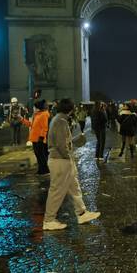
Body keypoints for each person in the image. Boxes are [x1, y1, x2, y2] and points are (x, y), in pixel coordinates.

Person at [43, 98, 101, 230]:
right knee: (57, 191)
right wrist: (68, 157)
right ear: (70, 109)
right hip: (60, 161)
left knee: (74, 187)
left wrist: (75, 141)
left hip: (62, 159)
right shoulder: (60, 121)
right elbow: (60, 145)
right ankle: (49, 220)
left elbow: (64, 142)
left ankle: (82, 213)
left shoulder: (59, 120)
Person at [23, 100, 50, 175]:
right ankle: (41, 170)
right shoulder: (37, 115)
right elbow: (32, 125)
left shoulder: (43, 115)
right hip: (35, 139)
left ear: (38, 108)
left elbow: (45, 127)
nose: (33, 109)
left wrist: (41, 138)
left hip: (39, 139)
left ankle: (45, 170)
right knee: (38, 155)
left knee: (41, 155)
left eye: (34, 107)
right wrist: (22, 120)